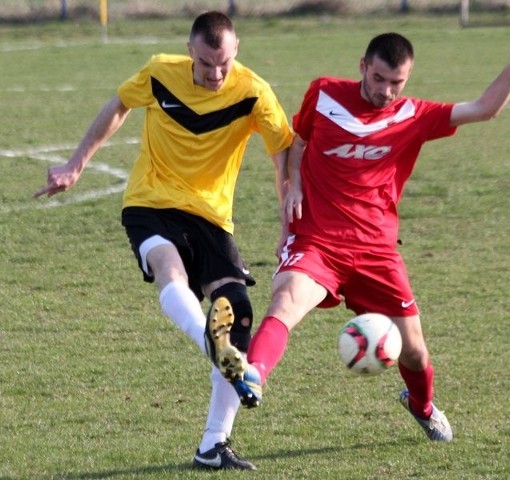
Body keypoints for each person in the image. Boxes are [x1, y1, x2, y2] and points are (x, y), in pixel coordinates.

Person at [217, 20, 510, 442]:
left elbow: (484, 108)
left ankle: (421, 405)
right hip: (318, 240)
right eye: (378, 78)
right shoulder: (324, 94)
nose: (386, 90)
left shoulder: (413, 114)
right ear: (362, 66)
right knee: (284, 301)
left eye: (397, 82)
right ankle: (253, 375)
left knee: (414, 350)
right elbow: (299, 142)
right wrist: (294, 185)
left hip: (377, 250)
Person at [34, 10, 293, 470]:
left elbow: (283, 154)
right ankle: (211, 345)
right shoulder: (160, 72)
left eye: (225, 64)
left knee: (240, 312)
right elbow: (117, 104)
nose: (216, 74)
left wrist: (286, 226)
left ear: (237, 54)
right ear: (191, 51)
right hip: (150, 202)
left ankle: (213, 444)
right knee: (169, 269)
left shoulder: (254, 92)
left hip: (213, 217)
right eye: (208, 63)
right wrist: (76, 164)